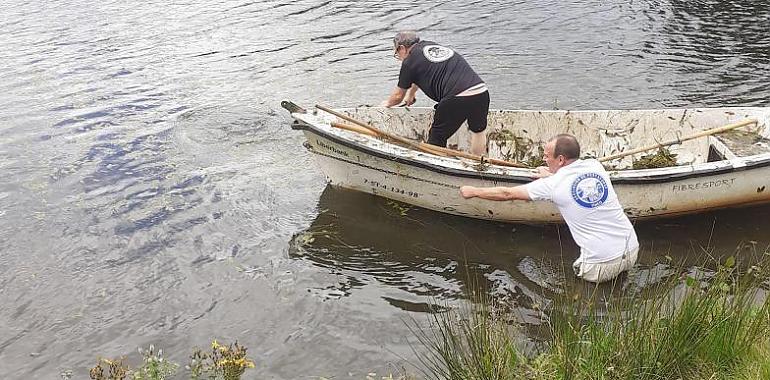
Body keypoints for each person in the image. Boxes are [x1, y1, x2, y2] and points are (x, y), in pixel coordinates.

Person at [459, 134, 639, 283]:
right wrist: (551, 173)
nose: (544, 160)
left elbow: (507, 194)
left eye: (546, 156)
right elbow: (569, 177)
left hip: (601, 264)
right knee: (618, 287)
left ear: (561, 159)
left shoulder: (553, 185)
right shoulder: (595, 165)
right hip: (631, 249)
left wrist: (474, 191)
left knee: (583, 299)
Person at [380, 31, 489, 156]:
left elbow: (398, 97)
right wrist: (411, 94)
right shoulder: (431, 46)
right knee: (479, 131)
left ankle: (437, 167)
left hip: (457, 97)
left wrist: (386, 104)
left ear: (402, 48)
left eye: (396, 53)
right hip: (481, 92)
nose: (398, 57)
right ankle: (478, 165)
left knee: (437, 137)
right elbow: (421, 73)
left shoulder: (409, 62)